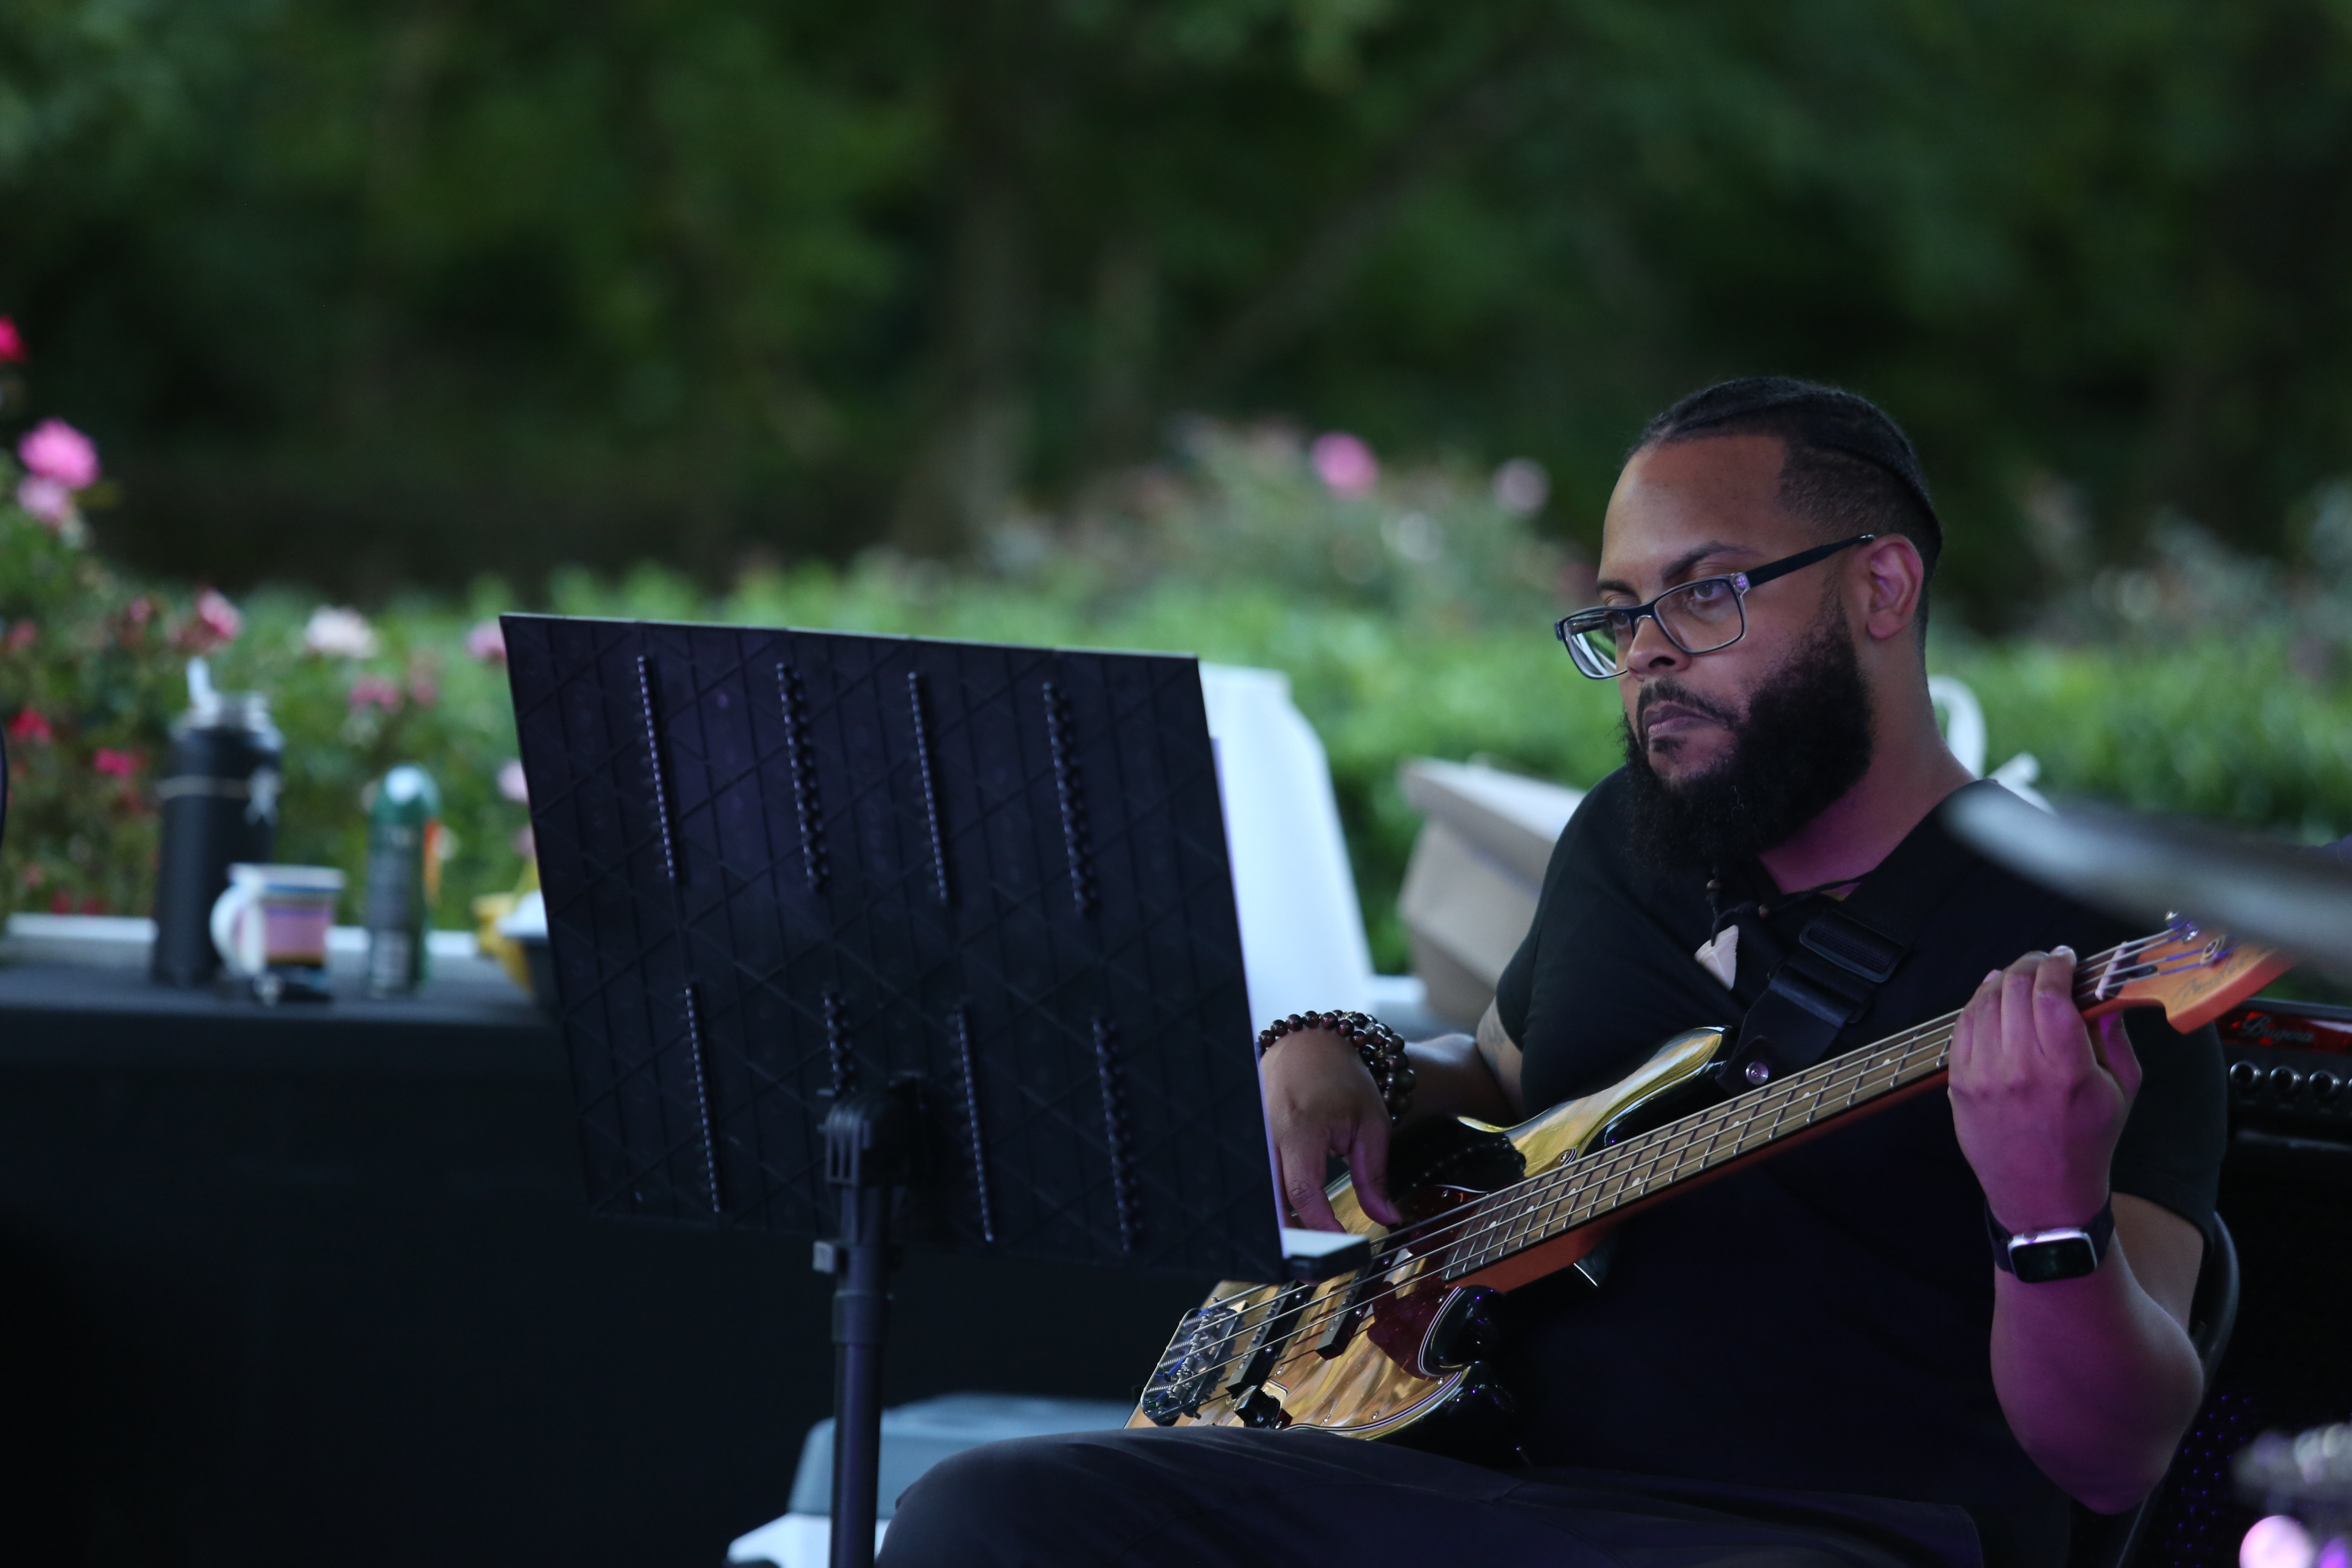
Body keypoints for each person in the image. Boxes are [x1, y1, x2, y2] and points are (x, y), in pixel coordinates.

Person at [878, 378, 2223, 1568]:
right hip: (1460, 1479)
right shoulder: (1627, 842)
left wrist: (2048, 1211)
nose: (1644, 651)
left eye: (1704, 593)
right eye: (1620, 611)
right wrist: (1349, 1054)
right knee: (980, 1512)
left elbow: (2110, 1463)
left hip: (1822, 1530)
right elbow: (1520, 1085)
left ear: (1880, 589)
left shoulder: (2091, 954)